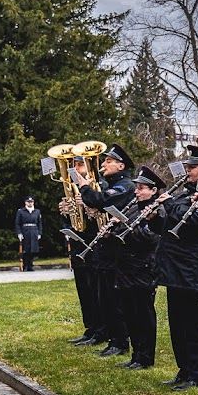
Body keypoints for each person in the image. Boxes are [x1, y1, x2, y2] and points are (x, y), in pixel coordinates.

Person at [149, 145, 198, 390]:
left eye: (193, 167)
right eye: (187, 167)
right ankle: (184, 368)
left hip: (194, 266)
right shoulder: (184, 193)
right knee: (178, 323)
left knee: (195, 324)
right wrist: (155, 218)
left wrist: (169, 207)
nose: (187, 171)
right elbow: (169, 228)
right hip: (174, 267)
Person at [76, 144, 136, 358]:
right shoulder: (112, 184)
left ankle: (120, 341)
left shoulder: (125, 185)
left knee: (114, 299)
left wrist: (84, 187)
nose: (104, 164)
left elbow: (101, 200)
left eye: (109, 161)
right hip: (105, 249)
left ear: (121, 165)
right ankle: (112, 337)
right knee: (105, 297)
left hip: (117, 252)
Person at [110, 166, 164, 371]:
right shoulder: (133, 207)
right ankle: (136, 354)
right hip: (126, 268)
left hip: (143, 268)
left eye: (141, 188)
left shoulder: (157, 210)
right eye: (137, 188)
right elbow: (122, 234)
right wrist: (112, 230)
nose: (137, 192)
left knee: (143, 314)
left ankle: (146, 356)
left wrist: (124, 227)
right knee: (130, 313)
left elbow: (150, 238)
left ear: (153, 190)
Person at [64, 154, 105, 346]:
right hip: (79, 244)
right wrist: (67, 210)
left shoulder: (98, 186)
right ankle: (90, 328)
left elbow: (101, 214)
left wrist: (88, 206)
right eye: (74, 164)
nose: (75, 168)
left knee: (96, 289)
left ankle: (101, 329)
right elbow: (75, 222)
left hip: (94, 244)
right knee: (84, 289)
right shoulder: (74, 188)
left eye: (80, 164)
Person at [15, 196, 44, 272]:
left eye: (31, 202)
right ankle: (25, 265)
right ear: (25, 202)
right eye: (28, 202)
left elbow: (39, 223)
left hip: (34, 231)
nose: (30, 203)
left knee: (33, 249)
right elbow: (17, 223)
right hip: (25, 231)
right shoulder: (21, 211)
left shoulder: (37, 211)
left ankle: (30, 265)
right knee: (26, 249)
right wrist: (19, 233)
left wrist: (39, 233)